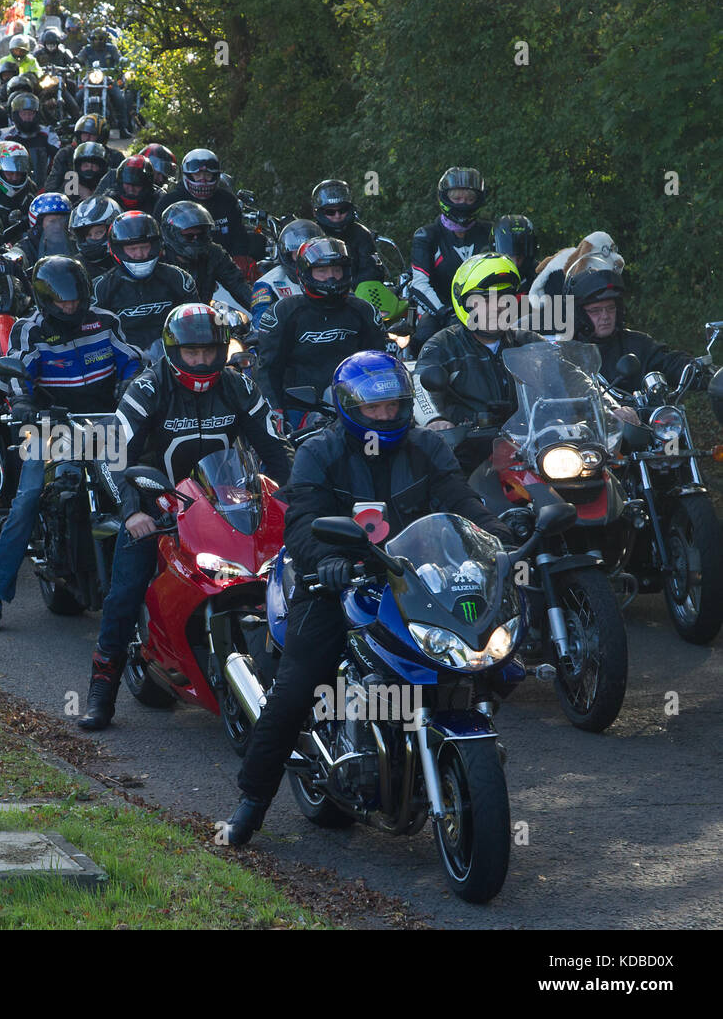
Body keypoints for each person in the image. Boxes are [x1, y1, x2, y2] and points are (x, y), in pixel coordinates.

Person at [223, 350, 514, 844]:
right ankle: (250, 805)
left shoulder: (428, 447)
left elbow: (460, 501)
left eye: (394, 406)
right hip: (336, 579)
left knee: (493, 658)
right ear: (348, 407)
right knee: (298, 686)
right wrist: (325, 561)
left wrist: (498, 535)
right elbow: (301, 519)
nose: (385, 416)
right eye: (373, 409)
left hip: (411, 576)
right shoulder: (319, 451)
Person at [75, 303, 290, 729]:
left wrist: (297, 497)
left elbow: (274, 450)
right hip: (158, 506)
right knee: (124, 593)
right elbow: (114, 455)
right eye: (192, 353)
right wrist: (133, 510)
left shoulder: (239, 387)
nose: (202, 360)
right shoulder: (148, 388)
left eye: (210, 351)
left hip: (228, 503)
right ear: (174, 350)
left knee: (283, 576)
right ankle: (101, 692)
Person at [0, 256, 142, 628]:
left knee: (142, 489)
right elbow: (15, 372)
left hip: (106, 424)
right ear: (45, 299)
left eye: (75, 300)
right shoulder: (28, 331)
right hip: (52, 426)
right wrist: (23, 402)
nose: (70, 307)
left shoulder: (106, 321)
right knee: (27, 498)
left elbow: (132, 359)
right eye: (62, 302)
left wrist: (131, 382)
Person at [415, 253, 546, 470]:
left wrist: (609, 407)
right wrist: (434, 419)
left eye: (504, 298)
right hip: (468, 456)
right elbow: (420, 385)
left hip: (533, 449)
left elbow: (571, 376)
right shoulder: (443, 345)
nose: (497, 307)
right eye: (486, 299)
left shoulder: (529, 341)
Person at [255, 236, 387, 423]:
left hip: (358, 403)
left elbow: (381, 364)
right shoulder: (284, 312)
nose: (331, 277)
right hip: (300, 407)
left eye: (336, 270)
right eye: (322, 271)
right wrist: (275, 412)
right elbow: (268, 371)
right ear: (305, 273)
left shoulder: (363, 310)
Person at [566, 252, 697, 386]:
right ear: (580, 314)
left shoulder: (638, 345)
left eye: (610, 308)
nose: (605, 316)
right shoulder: (567, 353)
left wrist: (697, 370)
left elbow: (669, 362)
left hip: (635, 407)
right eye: (596, 310)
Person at [409, 167, 493, 353]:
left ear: (478, 200)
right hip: (439, 309)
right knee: (424, 339)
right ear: (445, 198)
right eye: (457, 198)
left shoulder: (490, 232)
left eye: (469, 199)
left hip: (487, 307)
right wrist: (446, 313)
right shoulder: (426, 235)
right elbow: (419, 284)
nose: (463, 203)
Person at [91, 211, 198, 352]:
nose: (139, 254)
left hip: (174, 354)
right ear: (118, 249)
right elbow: (93, 334)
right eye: (132, 249)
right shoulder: (101, 288)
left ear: (155, 246)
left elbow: (196, 324)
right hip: (126, 360)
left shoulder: (178, 278)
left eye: (144, 247)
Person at [154, 149, 250, 261]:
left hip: (223, 264)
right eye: (197, 174)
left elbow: (239, 235)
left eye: (208, 175)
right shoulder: (168, 202)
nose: (203, 180)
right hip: (182, 264)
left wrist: (239, 260)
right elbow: (157, 239)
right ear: (187, 175)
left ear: (216, 175)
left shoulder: (227, 200)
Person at [159, 201, 253, 309]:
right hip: (162, 321)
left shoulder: (214, 253)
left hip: (201, 318)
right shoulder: (157, 257)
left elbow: (238, 285)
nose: (196, 239)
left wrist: (263, 312)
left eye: (201, 235)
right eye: (189, 236)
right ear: (172, 234)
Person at [250, 218, 323, 330]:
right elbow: (262, 323)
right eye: (298, 252)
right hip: (289, 339)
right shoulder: (267, 284)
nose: (304, 257)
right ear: (287, 255)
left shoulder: (332, 273)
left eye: (310, 252)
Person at [309, 179, 383, 287]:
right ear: (317, 212)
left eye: (342, 210)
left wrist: (345, 288)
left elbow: (372, 271)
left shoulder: (361, 233)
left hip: (356, 294)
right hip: (318, 293)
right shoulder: (311, 234)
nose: (337, 215)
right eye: (330, 212)